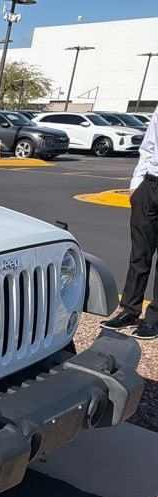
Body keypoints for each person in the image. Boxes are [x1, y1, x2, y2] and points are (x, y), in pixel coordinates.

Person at [102, 110, 158, 339]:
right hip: (150, 185)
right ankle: (130, 310)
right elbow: (149, 147)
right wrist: (137, 185)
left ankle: (154, 318)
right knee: (139, 254)